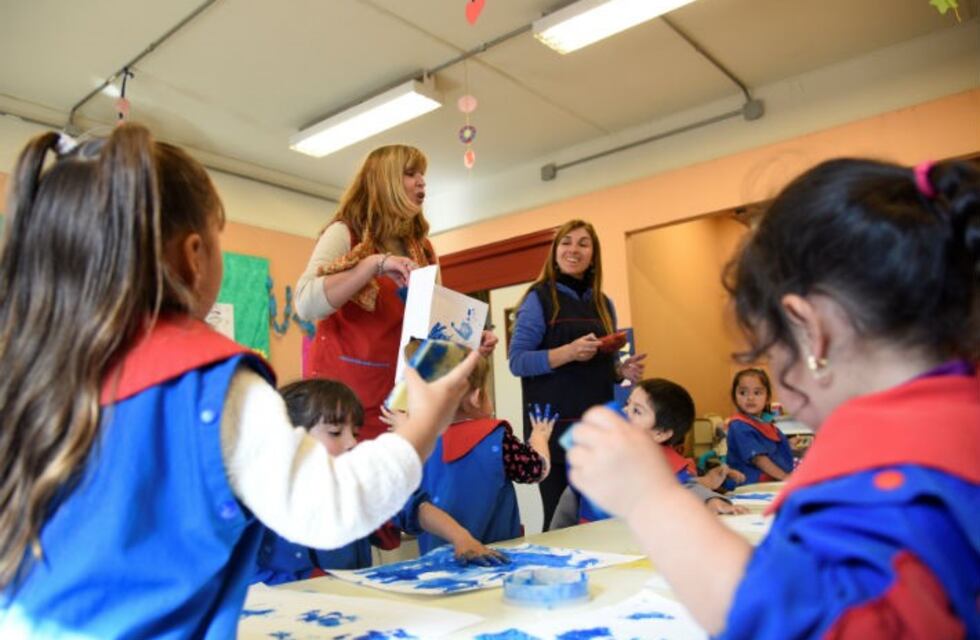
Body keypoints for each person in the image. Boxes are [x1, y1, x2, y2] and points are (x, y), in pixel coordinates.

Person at [0, 125, 479, 638]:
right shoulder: (211, 380)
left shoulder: (30, 371)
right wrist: (423, 424)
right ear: (193, 255)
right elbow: (326, 506)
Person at [567, 158, 980, 637]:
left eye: (766, 350)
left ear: (809, 331)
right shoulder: (954, 420)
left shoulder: (893, 475)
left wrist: (649, 499)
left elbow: (801, 622)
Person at [295, 145, 496, 442]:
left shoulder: (423, 248)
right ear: (384, 181)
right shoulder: (344, 233)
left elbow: (434, 323)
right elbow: (305, 303)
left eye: (423, 175)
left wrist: (467, 340)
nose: (422, 182)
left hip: (401, 403)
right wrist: (373, 265)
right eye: (410, 173)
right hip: (344, 405)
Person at [254, 378, 504, 584]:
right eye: (335, 433)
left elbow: (412, 508)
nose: (352, 443)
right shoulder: (260, 501)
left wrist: (461, 537)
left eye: (354, 433)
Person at [508, 219, 645, 528]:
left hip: (596, 428)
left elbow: (602, 368)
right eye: (567, 242)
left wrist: (621, 371)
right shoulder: (539, 299)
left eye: (584, 243)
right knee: (561, 521)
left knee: (599, 518)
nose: (574, 249)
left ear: (593, 254)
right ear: (555, 251)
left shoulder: (603, 303)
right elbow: (517, 361)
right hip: (554, 432)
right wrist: (568, 352)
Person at [388, 350, 554, 553]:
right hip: (496, 557)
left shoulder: (417, 443)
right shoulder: (496, 439)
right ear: (477, 396)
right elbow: (537, 469)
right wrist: (539, 438)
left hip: (438, 564)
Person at [550, 378, 742, 529]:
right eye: (627, 404)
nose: (624, 412)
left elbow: (687, 488)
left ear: (661, 433)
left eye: (637, 411)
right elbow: (570, 501)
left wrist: (712, 500)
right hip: (593, 551)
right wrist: (556, 541)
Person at [726, 368, 794, 484]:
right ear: (735, 397)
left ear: (767, 398)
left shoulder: (764, 422)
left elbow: (774, 447)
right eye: (743, 393)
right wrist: (785, 477)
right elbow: (758, 459)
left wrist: (790, 444)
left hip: (773, 479)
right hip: (750, 484)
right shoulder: (739, 426)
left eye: (757, 393)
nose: (750, 398)